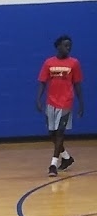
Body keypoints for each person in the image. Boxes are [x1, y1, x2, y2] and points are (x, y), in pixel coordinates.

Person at [36, 35, 84, 177]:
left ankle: (53, 165)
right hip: (51, 102)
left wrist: (81, 103)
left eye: (70, 46)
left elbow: (77, 84)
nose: (68, 48)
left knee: (60, 133)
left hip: (66, 102)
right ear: (58, 46)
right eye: (65, 45)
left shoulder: (74, 63)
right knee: (52, 133)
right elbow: (42, 82)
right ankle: (67, 158)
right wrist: (38, 99)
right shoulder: (48, 63)